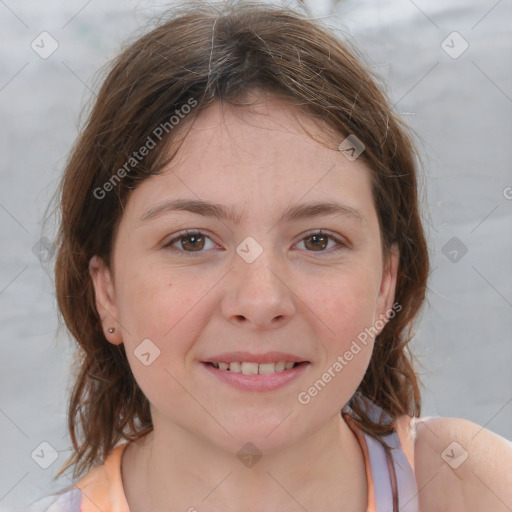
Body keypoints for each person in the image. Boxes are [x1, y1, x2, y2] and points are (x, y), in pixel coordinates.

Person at [28, 1, 512, 511]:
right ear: (107, 293)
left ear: (385, 285)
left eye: (318, 240)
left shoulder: (470, 487)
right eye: (192, 240)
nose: (260, 301)